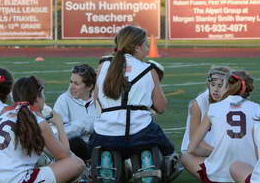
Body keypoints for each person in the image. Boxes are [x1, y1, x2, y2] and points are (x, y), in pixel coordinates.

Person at [0, 76, 84, 183]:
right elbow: (65, 156)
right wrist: (59, 124)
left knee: (41, 159)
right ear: (37, 98)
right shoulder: (37, 121)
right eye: (43, 94)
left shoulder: (4, 114)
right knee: (77, 164)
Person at [89, 25, 174, 158]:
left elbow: (95, 101)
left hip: (104, 135)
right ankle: (146, 161)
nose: (147, 49)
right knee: (169, 151)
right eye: (146, 45)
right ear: (137, 47)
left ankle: (109, 161)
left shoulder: (103, 65)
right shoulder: (149, 70)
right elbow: (161, 107)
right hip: (140, 135)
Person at [184, 71, 260, 183]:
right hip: (248, 176)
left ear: (227, 86)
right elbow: (259, 146)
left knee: (185, 157)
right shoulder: (256, 107)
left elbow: (191, 147)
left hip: (217, 179)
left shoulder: (214, 108)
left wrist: (215, 152)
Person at [179, 66, 230, 168]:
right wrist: (219, 152)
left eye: (220, 85)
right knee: (186, 157)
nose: (215, 89)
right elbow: (195, 140)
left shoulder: (230, 101)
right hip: (198, 151)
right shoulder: (198, 104)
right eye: (213, 85)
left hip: (217, 150)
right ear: (208, 84)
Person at [53, 64, 96, 162]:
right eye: (71, 82)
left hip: (96, 145)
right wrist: (84, 126)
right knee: (75, 141)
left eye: (76, 84)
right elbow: (59, 134)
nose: (71, 87)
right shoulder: (63, 100)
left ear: (89, 87)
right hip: (75, 150)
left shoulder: (99, 100)